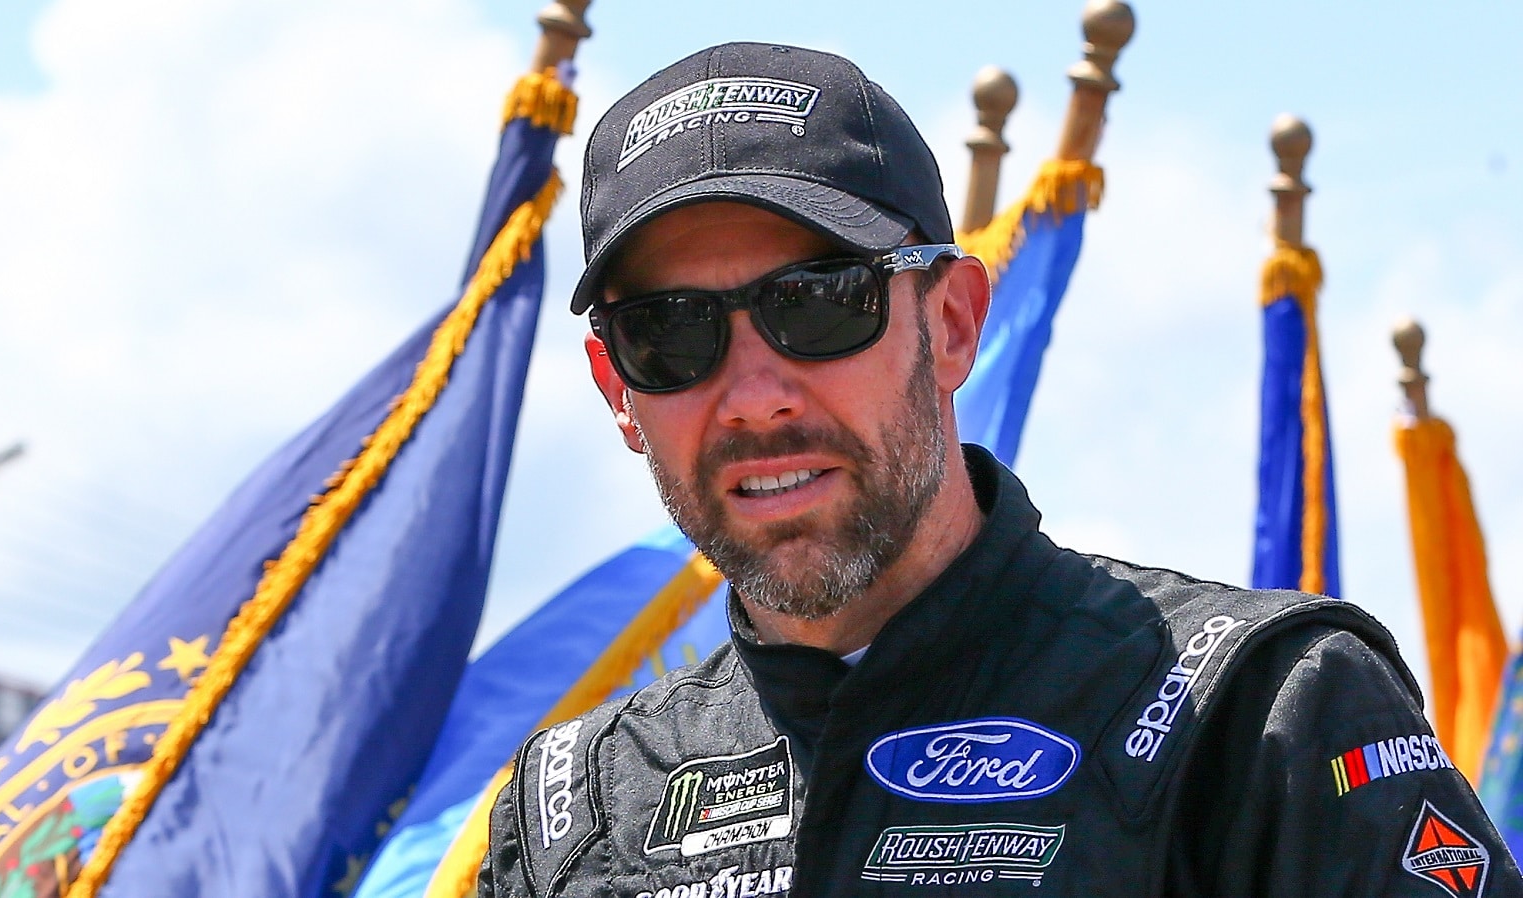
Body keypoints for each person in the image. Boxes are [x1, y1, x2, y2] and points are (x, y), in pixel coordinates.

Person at [479, 41, 1522, 897]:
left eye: (818, 303)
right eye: (672, 332)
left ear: (952, 321)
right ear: (617, 389)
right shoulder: (576, 808)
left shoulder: (1255, 716)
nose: (755, 393)